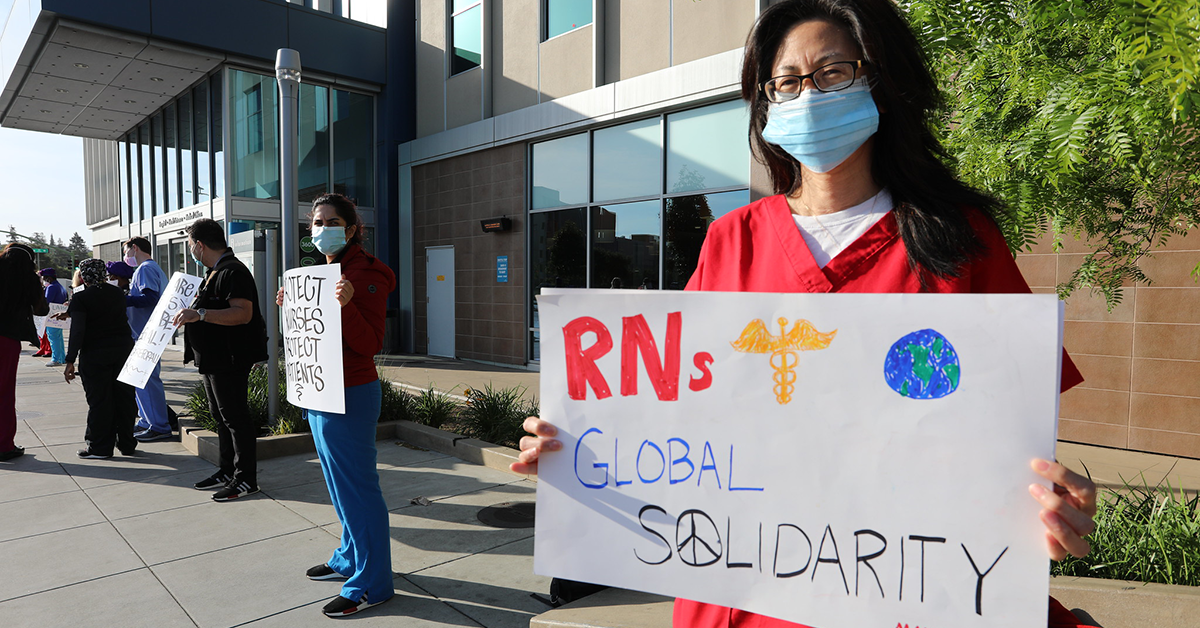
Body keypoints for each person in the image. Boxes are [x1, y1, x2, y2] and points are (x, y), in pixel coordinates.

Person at [513, 2, 1099, 627]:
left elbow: (1014, 438)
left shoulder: (959, 241)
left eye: (833, 72)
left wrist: (1052, 506)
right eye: (786, 81)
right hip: (744, 590)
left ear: (881, 80)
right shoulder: (731, 241)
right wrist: (580, 451)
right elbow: (677, 418)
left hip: (910, 591)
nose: (808, 94)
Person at [277, 193, 396, 617]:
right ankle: (348, 557)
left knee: (359, 491)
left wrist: (343, 306)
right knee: (338, 485)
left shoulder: (368, 274)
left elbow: (370, 344)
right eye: (314, 222)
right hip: (322, 392)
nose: (320, 228)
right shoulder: (323, 272)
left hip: (350, 392)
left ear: (349, 228)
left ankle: (372, 583)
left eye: (329, 221)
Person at [173, 218, 268, 501]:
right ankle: (227, 470)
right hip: (213, 359)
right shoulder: (214, 272)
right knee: (221, 417)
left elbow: (242, 313)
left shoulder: (233, 271)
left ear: (200, 246)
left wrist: (200, 314)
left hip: (229, 360)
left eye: (190, 245)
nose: (191, 250)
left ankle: (245, 479)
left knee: (236, 418)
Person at [64, 259, 138, 459]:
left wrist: (70, 359)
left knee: (100, 401)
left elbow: (78, 330)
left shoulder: (81, 298)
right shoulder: (118, 293)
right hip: (123, 351)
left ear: (83, 276)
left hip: (96, 354)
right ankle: (127, 443)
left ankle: (99, 447)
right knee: (125, 398)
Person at [0, 244, 49, 461]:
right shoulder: (28, 278)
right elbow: (42, 309)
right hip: (6, 339)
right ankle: (4, 445)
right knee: (4, 392)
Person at [121, 237, 173, 442]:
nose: (126, 257)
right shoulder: (150, 268)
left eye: (126, 252)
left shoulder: (145, 269)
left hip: (146, 334)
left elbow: (150, 298)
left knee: (147, 381)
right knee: (140, 380)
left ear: (135, 248)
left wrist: (121, 298)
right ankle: (146, 420)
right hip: (146, 333)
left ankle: (159, 426)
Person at [39, 269, 68, 366]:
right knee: (58, 338)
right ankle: (62, 358)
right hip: (59, 315)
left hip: (52, 316)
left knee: (53, 337)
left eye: (44, 278)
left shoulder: (51, 287)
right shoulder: (60, 286)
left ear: (48, 278)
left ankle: (56, 359)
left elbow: (47, 301)